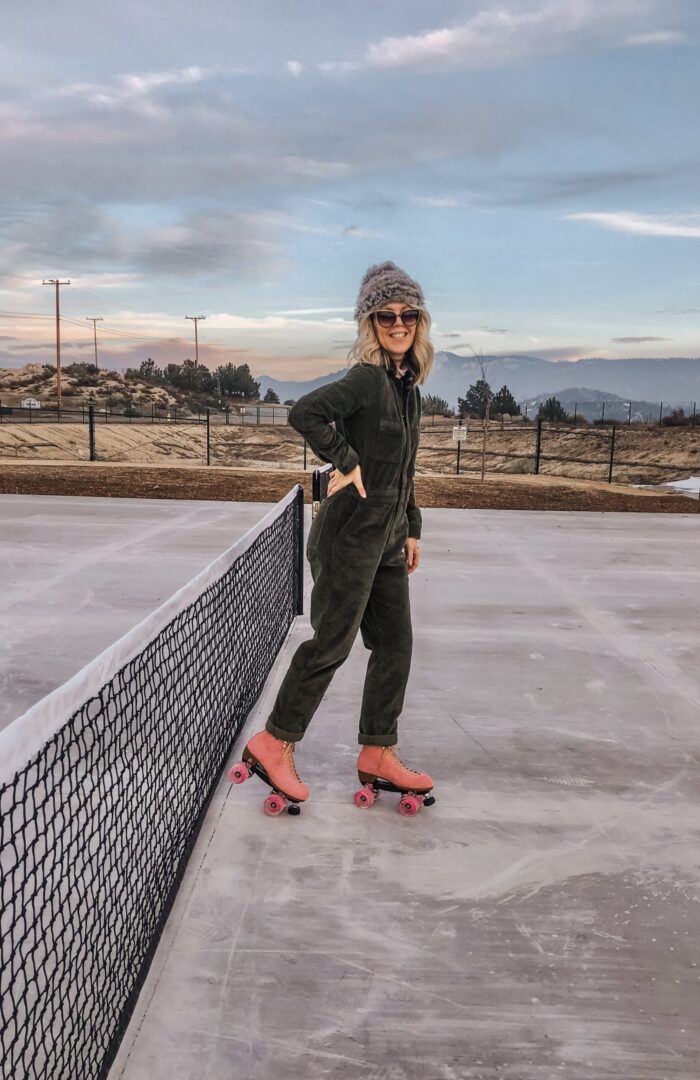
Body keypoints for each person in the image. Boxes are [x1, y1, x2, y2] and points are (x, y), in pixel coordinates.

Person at [241, 261, 434, 805]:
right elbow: (305, 413)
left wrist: (412, 527)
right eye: (386, 315)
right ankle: (274, 742)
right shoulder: (368, 380)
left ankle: (377, 750)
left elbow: (404, 469)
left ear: (420, 321)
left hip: (388, 541)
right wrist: (345, 459)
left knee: (395, 644)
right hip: (348, 536)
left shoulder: (407, 388)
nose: (399, 323)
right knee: (332, 642)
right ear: (369, 324)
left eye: (408, 314)